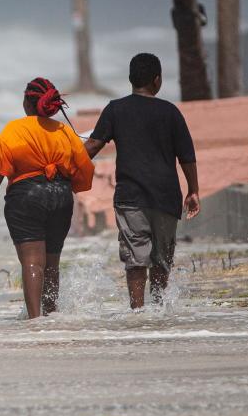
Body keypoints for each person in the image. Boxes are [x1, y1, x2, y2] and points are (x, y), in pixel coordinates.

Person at [83, 53, 201, 309]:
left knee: (135, 258)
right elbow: (187, 156)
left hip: (130, 198)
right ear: (157, 81)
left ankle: (137, 312)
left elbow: (91, 148)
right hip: (165, 198)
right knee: (161, 259)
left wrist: (66, 165)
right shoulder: (170, 112)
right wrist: (193, 190)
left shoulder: (115, 109)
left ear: (130, 79)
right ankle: (158, 308)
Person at [0, 78, 94, 319]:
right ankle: (52, 315)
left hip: (26, 196)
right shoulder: (64, 131)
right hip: (61, 196)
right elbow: (82, 166)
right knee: (52, 263)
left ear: (27, 103)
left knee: (32, 262)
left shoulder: (14, 129)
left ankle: (35, 322)